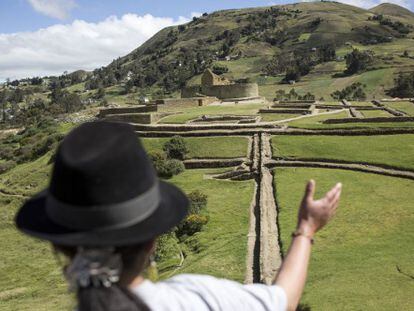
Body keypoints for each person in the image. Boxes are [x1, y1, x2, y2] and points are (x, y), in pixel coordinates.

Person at [15, 121, 342, 311]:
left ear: (59, 246)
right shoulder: (197, 299)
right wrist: (306, 228)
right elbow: (282, 300)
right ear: (152, 240)